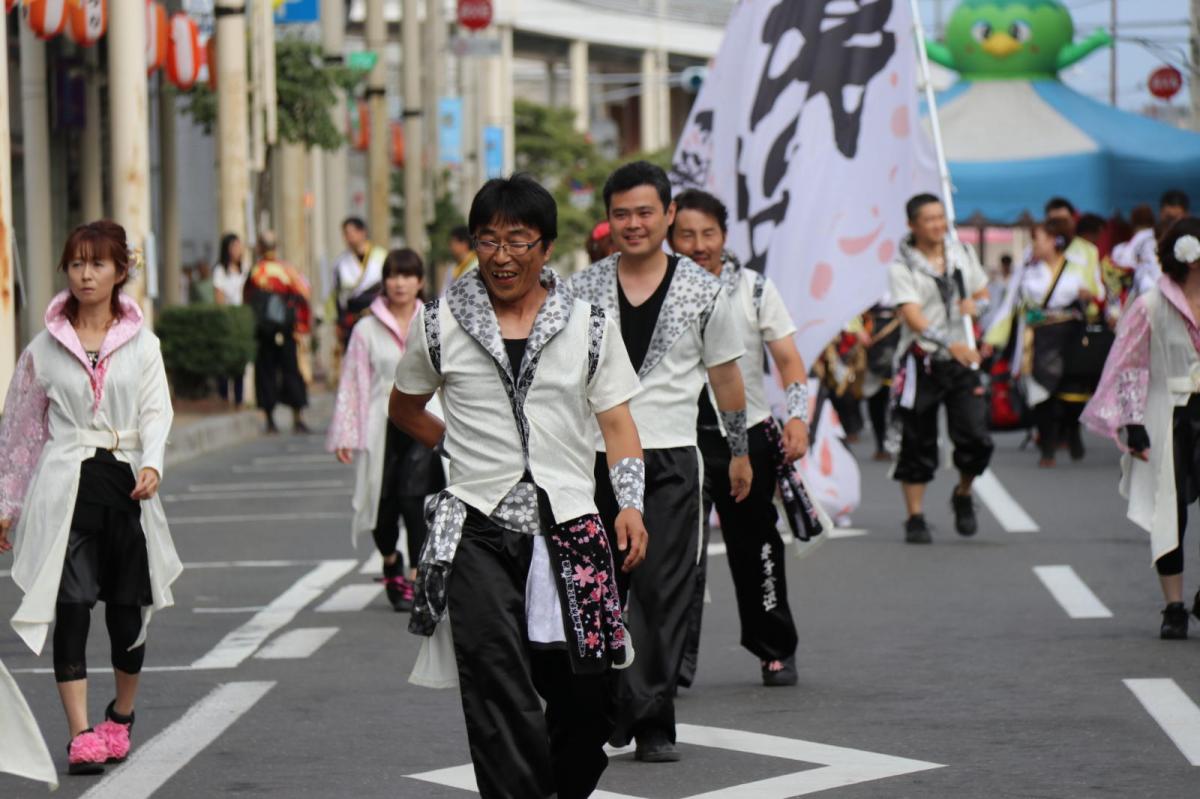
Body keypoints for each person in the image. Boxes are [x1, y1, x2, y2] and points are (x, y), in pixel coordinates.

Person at [390, 174, 649, 799]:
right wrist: (455, 445)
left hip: (571, 522)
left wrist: (631, 502)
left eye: (517, 240)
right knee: (495, 680)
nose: (501, 255)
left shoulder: (587, 324)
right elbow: (404, 407)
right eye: (487, 240)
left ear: (546, 247)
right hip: (477, 524)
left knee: (585, 695)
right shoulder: (438, 323)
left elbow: (617, 425)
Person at [570, 161, 751, 762]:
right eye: (621, 213)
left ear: (669, 215)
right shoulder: (581, 291)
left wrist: (738, 449)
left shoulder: (706, 291)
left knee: (662, 592)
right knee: (600, 587)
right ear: (608, 219)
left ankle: (650, 720)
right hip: (595, 456)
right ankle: (609, 704)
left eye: (646, 212)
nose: (634, 224)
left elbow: (726, 376)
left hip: (674, 458)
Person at [0, 220, 181, 775]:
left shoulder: (144, 346)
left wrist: (152, 462)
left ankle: (120, 716)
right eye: (76, 263)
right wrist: (7, 505)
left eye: (97, 263)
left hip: (125, 488)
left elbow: (157, 411)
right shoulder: (43, 348)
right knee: (71, 608)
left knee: (127, 616)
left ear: (120, 271)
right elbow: (21, 431)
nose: (85, 273)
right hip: (65, 491)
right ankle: (81, 735)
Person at [667, 188, 811, 688]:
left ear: (725, 237)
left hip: (745, 437)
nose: (698, 244)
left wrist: (797, 418)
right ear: (671, 237)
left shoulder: (753, 289)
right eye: (686, 234)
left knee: (756, 547)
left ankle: (775, 649)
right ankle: (672, 664)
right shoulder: (655, 291)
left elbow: (789, 359)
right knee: (676, 553)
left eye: (708, 233)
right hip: (677, 436)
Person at [1082, 217, 1200, 639]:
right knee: (1170, 512)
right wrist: (1132, 424)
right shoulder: (1152, 303)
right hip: (1166, 412)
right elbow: (1130, 365)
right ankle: (1173, 606)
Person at [327, 249, 444, 612]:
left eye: (408, 276)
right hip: (380, 425)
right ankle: (391, 559)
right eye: (393, 275)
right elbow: (353, 381)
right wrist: (345, 433)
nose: (400, 283)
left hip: (424, 420)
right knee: (381, 508)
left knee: (414, 499)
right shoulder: (365, 329)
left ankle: (414, 575)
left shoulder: (436, 322)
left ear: (420, 282)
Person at [889, 193, 993, 544]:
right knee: (917, 439)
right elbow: (913, 317)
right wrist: (951, 344)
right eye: (929, 219)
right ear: (912, 225)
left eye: (940, 217)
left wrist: (973, 308)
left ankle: (963, 493)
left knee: (976, 437)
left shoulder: (962, 254)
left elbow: (983, 294)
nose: (937, 225)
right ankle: (915, 517)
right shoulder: (901, 267)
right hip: (922, 361)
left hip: (963, 361)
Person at [1018, 218, 1102, 466]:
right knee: (1042, 393)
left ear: (1054, 241)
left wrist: (1090, 296)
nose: (1034, 244)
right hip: (1040, 336)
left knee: (1072, 390)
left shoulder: (1077, 267)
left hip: (1070, 335)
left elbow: (1098, 294)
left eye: (1038, 239)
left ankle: (1072, 430)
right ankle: (1047, 446)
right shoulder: (1029, 269)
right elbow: (1018, 304)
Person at [244, 232, 310, 434]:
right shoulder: (287, 270)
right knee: (291, 372)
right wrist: (301, 326)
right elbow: (304, 294)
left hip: (264, 332)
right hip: (287, 331)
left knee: (266, 373)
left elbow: (247, 299)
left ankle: (270, 420)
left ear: (260, 248)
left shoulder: (256, 271)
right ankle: (297, 417)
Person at [332, 217, 387, 348]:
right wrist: (339, 322)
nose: (348, 238)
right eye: (345, 234)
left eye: (351, 233)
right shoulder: (340, 262)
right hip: (352, 318)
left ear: (363, 232)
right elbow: (338, 295)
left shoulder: (381, 256)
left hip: (377, 313)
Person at [213, 233, 247, 407]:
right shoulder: (220, 270)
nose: (237, 250)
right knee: (225, 361)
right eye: (234, 246)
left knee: (240, 361)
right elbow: (218, 295)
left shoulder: (244, 269)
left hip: (242, 317)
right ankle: (224, 397)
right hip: (228, 317)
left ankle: (240, 399)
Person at [1112, 205, 1160, 302]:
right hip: (1152, 296)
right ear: (1153, 221)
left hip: (1127, 300)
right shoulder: (1157, 243)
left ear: (1132, 222)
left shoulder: (1119, 250)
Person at [443, 225, 477, 291]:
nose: (451, 247)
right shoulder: (452, 269)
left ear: (464, 244)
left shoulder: (477, 266)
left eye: (453, 243)